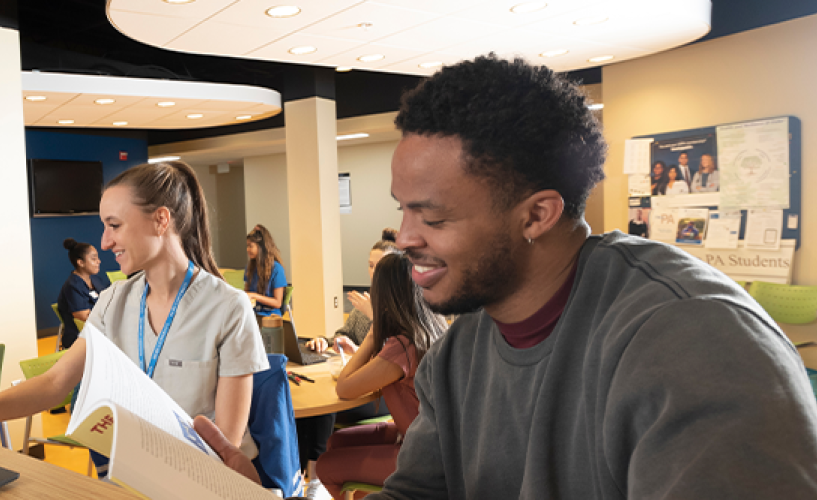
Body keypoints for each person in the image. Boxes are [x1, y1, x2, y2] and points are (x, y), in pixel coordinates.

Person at [202, 54, 817, 498]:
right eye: (403, 208)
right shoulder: (462, 347)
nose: (406, 238)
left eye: (433, 216)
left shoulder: (692, 341)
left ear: (537, 214)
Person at [0, 161, 269, 466]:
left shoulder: (228, 308)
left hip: (201, 480)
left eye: (114, 225)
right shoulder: (113, 301)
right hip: (132, 475)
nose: (105, 242)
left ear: (160, 220)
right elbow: (54, 383)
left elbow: (225, 445)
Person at [314, 252, 445, 499]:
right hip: (430, 442)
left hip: (422, 456)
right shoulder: (429, 328)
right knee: (336, 442)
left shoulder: (402, 344)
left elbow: (344, 387)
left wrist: (373, 334)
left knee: (326, 465)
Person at [55, 238, 111, 349]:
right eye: (93, 259)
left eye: (97, 258)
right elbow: (84, 317)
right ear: (80, 262)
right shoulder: (73, 286)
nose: (98, 261)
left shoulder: (95, 279)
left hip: (100, 333)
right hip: (82, 340)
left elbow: (109, 300)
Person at [244, 224, 288, 317]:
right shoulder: (250, 268)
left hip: (270, 317)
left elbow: (277, 303)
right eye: (247, 246)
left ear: (261, 248)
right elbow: (246, 293)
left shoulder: (277, 269)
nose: (248, 249)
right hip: (253, 315)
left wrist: (254, 296)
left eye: (250, 246)